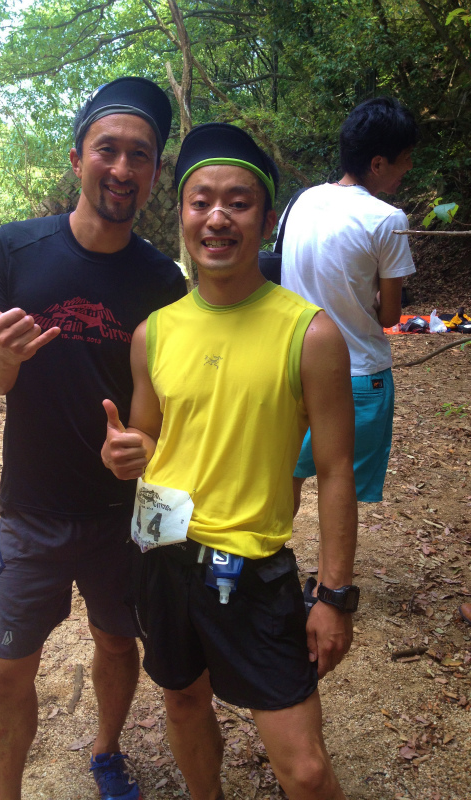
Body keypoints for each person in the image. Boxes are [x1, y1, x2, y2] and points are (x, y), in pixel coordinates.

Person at [102, 123, 358, 800]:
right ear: (182, 213)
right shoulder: (153, 333)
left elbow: (334, 470)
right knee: (183, 703)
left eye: (238, 202)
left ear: (267, 220)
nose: (217, 217)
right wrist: (129, 450)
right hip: (161, 545)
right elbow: (150, 435)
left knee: (303, 768)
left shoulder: (311, 333)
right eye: (201, 200)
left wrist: (334, 595)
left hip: (251, 566)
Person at [0, 77, 186, 800]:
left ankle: (107, 749)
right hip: (32, 504)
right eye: (107, 150)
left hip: (126, 512)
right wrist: (1, 361)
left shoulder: (164, 282)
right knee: (2, 669)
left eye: (140, 156)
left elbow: (177, 406)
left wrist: (148, 449)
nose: (122, 169)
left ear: (155, 173)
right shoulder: (13, 248)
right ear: (77, 157)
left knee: (119, 641)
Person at [280, 97, 418, 523]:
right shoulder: (388, 219)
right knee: (338, 484)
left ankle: (261, 571)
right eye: (405, 159)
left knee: (287, 477)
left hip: (294, 369)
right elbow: (390, 316)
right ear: (378, 163)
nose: (409, 168)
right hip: (358, 375)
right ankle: (328, 587)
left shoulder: (300, 202)